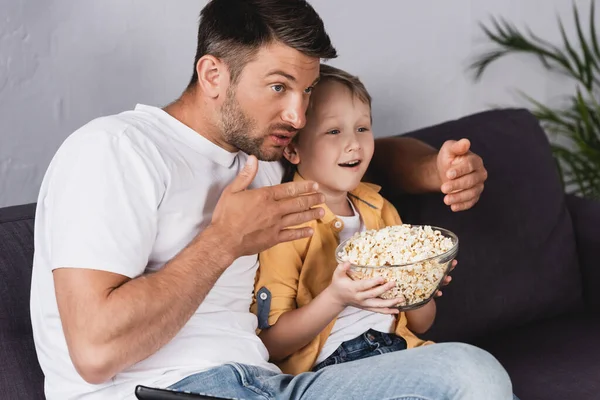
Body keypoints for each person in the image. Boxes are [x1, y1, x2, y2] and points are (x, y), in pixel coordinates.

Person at [29, 1, 508, 399]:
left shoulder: (270, 158)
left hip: (273, 385)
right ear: (213, 74)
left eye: (307, 91)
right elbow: (94, 353)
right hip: (171, 391)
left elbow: (369, 155)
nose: (298, 115)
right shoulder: (117, 149)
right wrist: (224, 241)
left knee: (469, 374)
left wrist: (436, 171)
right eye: (279, 87)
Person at [252, 64, 443, 376]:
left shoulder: (381, 211)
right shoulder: (287, 224)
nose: (354, 143)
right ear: (293, 149)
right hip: (337, 366)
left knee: (486, 379)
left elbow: (422, 323)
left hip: (402, 349)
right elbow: (271, 345)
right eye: (333, 131)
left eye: (362, 128)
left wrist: (421, 281)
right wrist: (335, 298)